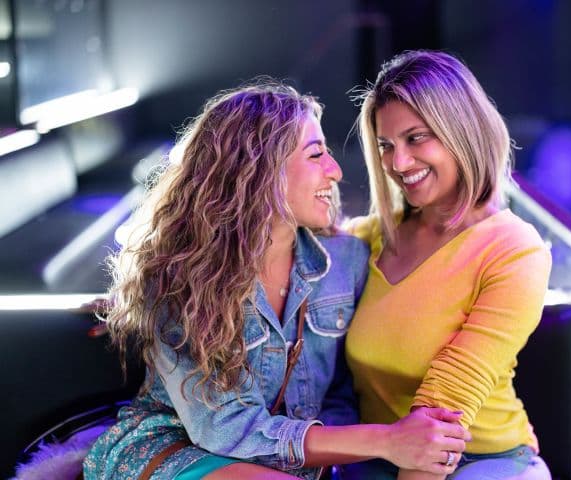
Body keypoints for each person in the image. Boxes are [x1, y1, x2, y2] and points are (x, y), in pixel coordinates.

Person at [82, 81, 471, 480]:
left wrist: (337, 456)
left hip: (288, 465)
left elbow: (341, 393)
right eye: (317, 154)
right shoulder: (179, 275)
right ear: (258, 168)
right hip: (174, 448)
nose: (335, 172)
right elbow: (225, 428)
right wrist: (386, 440)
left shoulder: (346, 262)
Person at [344, 50, 553, 480]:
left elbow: (446, 404)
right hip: (380, 455)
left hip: (485, 460)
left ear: (462, 132)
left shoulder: (515, 249)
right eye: (386, 145)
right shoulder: (373, 237)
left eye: (416, 138)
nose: (398, 163)